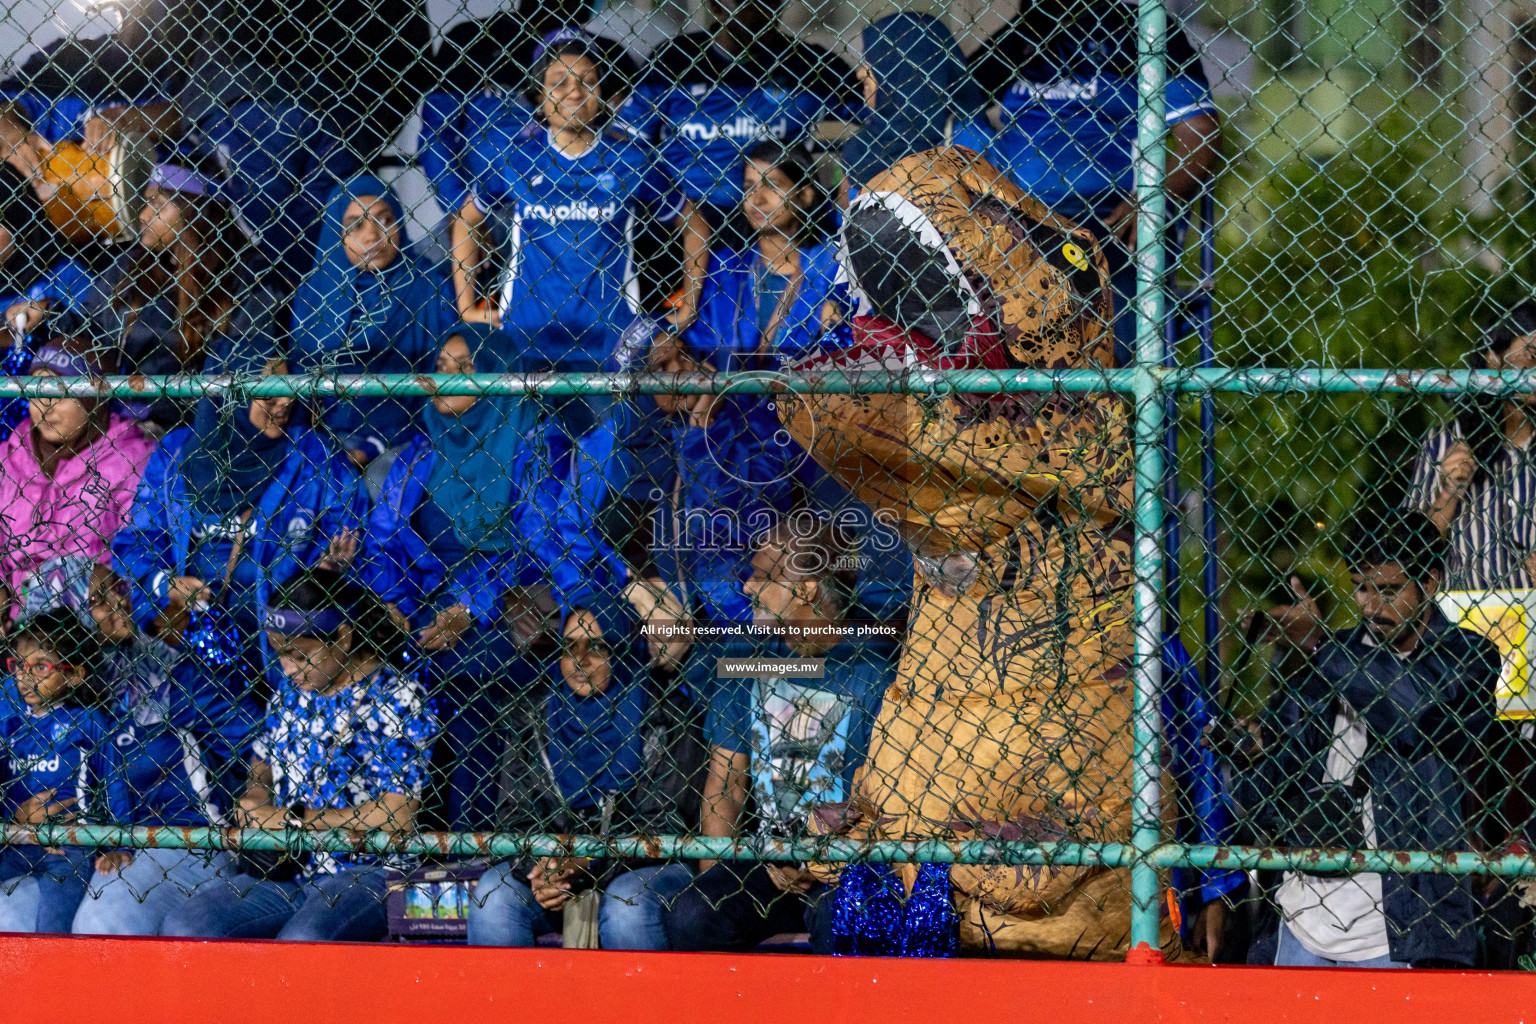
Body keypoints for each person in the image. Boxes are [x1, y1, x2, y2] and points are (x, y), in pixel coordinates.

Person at [1215, 511, 1497, 969]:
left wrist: (1321, 646)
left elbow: (1413, 712)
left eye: (1389, 590)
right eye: (1362, 587)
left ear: (1429, 581)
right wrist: (1253, 756)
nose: (1371, 606)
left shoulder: (1469, 657)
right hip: (1302, 925)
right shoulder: (1326, 662)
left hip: (1402, 934)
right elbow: (1264, 803)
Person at [450, 28, 710, 436]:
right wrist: (467, 306)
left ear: (603, 91)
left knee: (604, 469)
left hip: (611, 343)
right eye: (559, 82)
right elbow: (467, 219)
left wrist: (689, 301)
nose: (574, 92)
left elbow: (692, 221)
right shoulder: (517, 157)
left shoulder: (631, 159)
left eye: (588, 80)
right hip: (527, 338)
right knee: (524, 462)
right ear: (538, 94)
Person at [653, 516, 894, 953]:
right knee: (694, 910)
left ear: (805, 589)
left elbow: (887, 797)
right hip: (767, 865)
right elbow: (725, 786)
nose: (746, 587)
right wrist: (720, 881)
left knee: (844, 914)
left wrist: (823, 860)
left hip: (847, 865)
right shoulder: (747, 658)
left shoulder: (874, 671)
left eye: (762, 575)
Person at [160, 568, 438, 941]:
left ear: (342, 637)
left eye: (301, 656)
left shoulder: (399, 697)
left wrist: (295, 821)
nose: (287, 668)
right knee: (187, 925)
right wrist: (255, 796)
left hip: (370, 871)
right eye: (280, 654)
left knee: (304, 942)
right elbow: (263, 759)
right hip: (289, 865)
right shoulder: (292, 692)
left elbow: (397, 815)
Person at [7, 557, 260, 936]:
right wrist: (18, 815)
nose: (121, 603)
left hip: (174, 836)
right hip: (68, 851)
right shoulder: (20, 693)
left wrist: (241, 793)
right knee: (10, 919)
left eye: (120, 589)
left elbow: (254, 734)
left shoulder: (164, 672)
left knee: (102, 921)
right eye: (99, 598)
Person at [959, 2, 1222, 364]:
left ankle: (1104, 395)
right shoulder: (1028, 32)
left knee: (1106, 355)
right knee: (952, 112)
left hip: (1106, 217)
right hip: (1013, 213)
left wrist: (1152, 195)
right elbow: (954, 93)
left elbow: (1202, 136)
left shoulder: (1145, 30)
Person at [111, 345, 366, 685]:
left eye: (290, 389)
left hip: (287, 647)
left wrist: (326, 571)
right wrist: (165, 583)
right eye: (268, 392)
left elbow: (349, 522)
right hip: (194, 644)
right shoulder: (177, 453)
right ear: (229, 393)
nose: (284, 401)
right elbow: (137, 540)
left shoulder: (313, 454)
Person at [468, 597, 703, 949]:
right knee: (492, 894)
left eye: (599, 646)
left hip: (641, 869)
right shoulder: (532, 715)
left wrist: (587, 860)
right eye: (569, 646)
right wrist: (545, 867)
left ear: (624, 649)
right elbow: (514, 818)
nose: (581, 659)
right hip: (557, 870)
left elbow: (667, 827)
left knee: (627, 903)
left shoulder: (668, 717)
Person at [628, 0, 858, 249]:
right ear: (715, 6)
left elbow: (880, 120)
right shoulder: (674, 59)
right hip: (683, 219)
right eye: (743, 2)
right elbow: (625, 140)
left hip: (777, 218)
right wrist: (672, 204)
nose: (758, 7)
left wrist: (850, 183)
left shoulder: (810, 65)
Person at [83, 162, 274, 431]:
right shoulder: (131, 266)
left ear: (195, 212)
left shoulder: (244, 277)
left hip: (197, 428)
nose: (144, 215)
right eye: (145, 203)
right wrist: (48, 312)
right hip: (118, 423)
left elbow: (244, 365)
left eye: (157, 205)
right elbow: (87, 328)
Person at [290, 175, 455, 485]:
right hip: (324, 439)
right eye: (355, 226)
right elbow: (301, 385)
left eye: (385, 220)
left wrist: (373, 446)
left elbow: (445, 383)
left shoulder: (429, 287)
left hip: (411, 439)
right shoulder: (315, 292)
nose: (373, 236)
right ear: (336, 235)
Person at [0, 335, 156, 626]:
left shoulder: (132, 462)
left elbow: (139, 553)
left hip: (88, 627)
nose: (45, 406)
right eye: (36, 390)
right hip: (12, 623)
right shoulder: (8, 456)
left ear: (92, 398)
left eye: (60, 393)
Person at [0, 606, 131, 932]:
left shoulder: (86, 722)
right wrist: (15, 816)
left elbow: (114, 781)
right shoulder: (10, 724)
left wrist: (119, 845)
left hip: (69, 845)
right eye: (19, 666)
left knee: (53, 929)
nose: (25, 678)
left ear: (74, 674)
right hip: (18, 841)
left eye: (41, 667)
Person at [839, 12, 984, 196]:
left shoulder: (970, 143)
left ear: (909, 70)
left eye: (873, 61)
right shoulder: (859, 148)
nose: (860, 73)